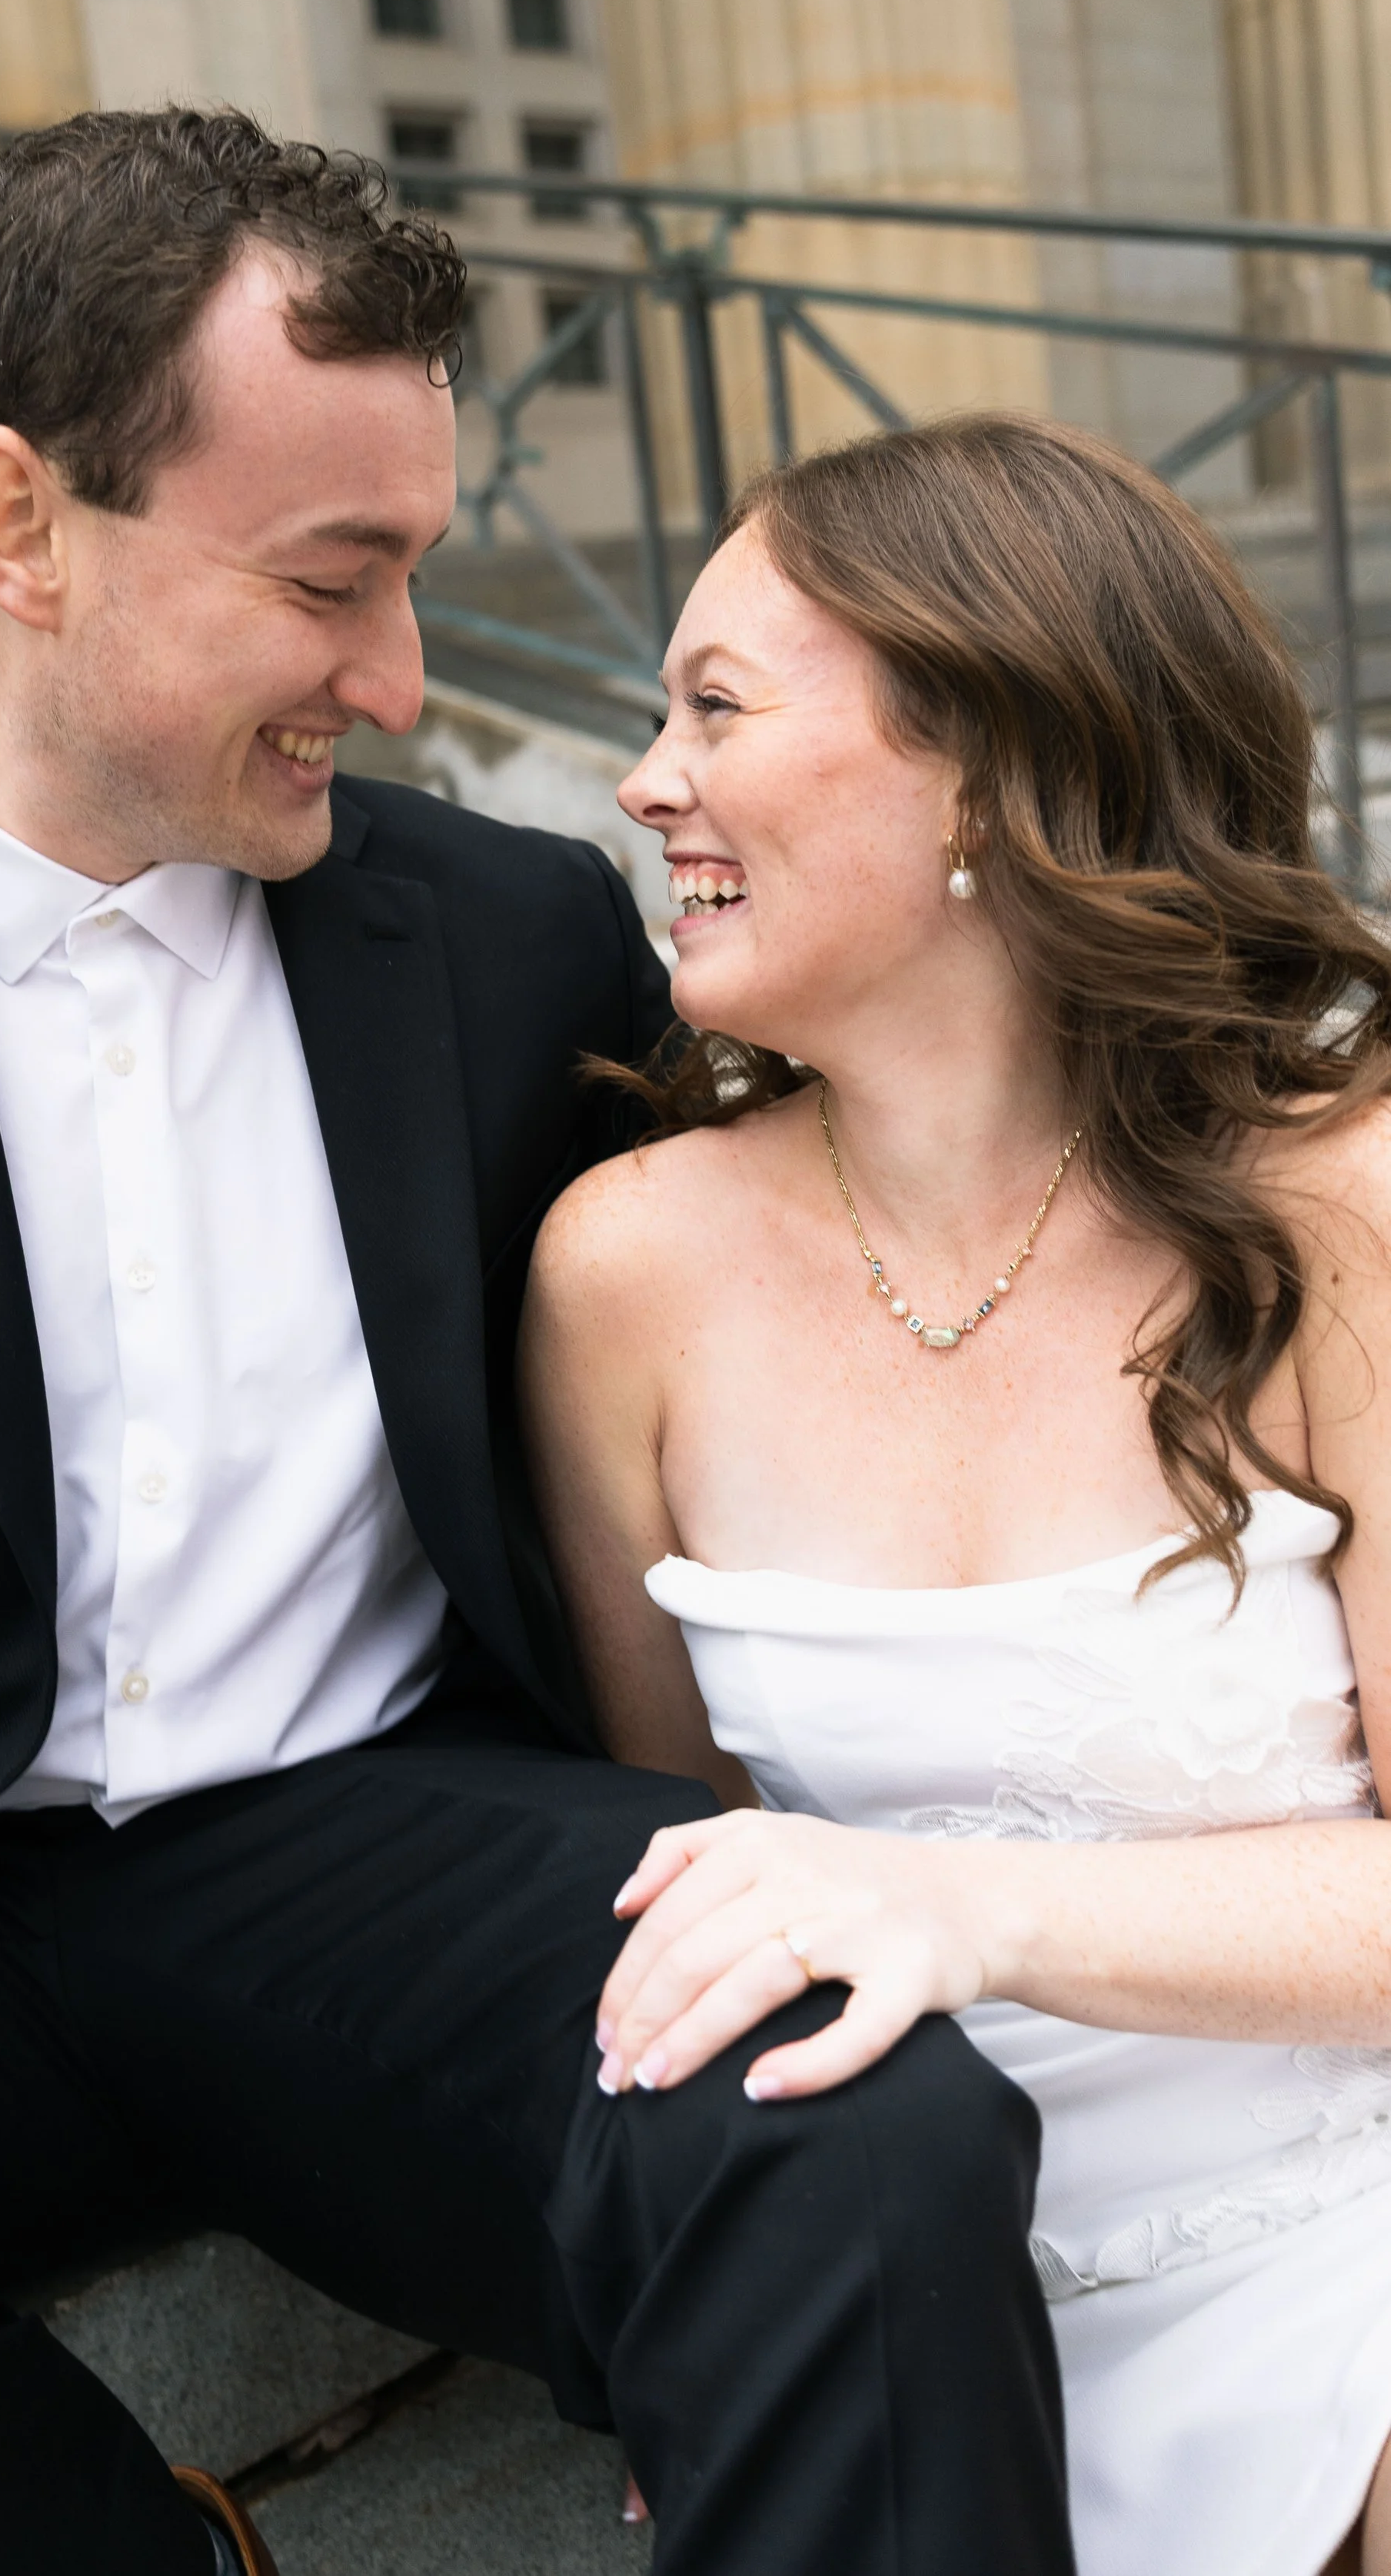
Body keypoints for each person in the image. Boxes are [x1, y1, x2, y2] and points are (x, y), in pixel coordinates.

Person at [0, 116, 1074, 2576]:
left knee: (859, 2110)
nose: (402, 677)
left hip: (379, 1861)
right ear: (14, 522)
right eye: (334, 581)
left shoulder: (519, 936)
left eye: (415, 575)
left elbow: (926, 1161)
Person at [520, 408, 1391, 2576]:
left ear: (987, 768)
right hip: (892, 2299)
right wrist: (703, 2288)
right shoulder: (622, 1267)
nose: (645, 781)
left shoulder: (1331, 1214)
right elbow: (665, 1876)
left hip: (1334, 2257)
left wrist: (967, 1908)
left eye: (713, 705)